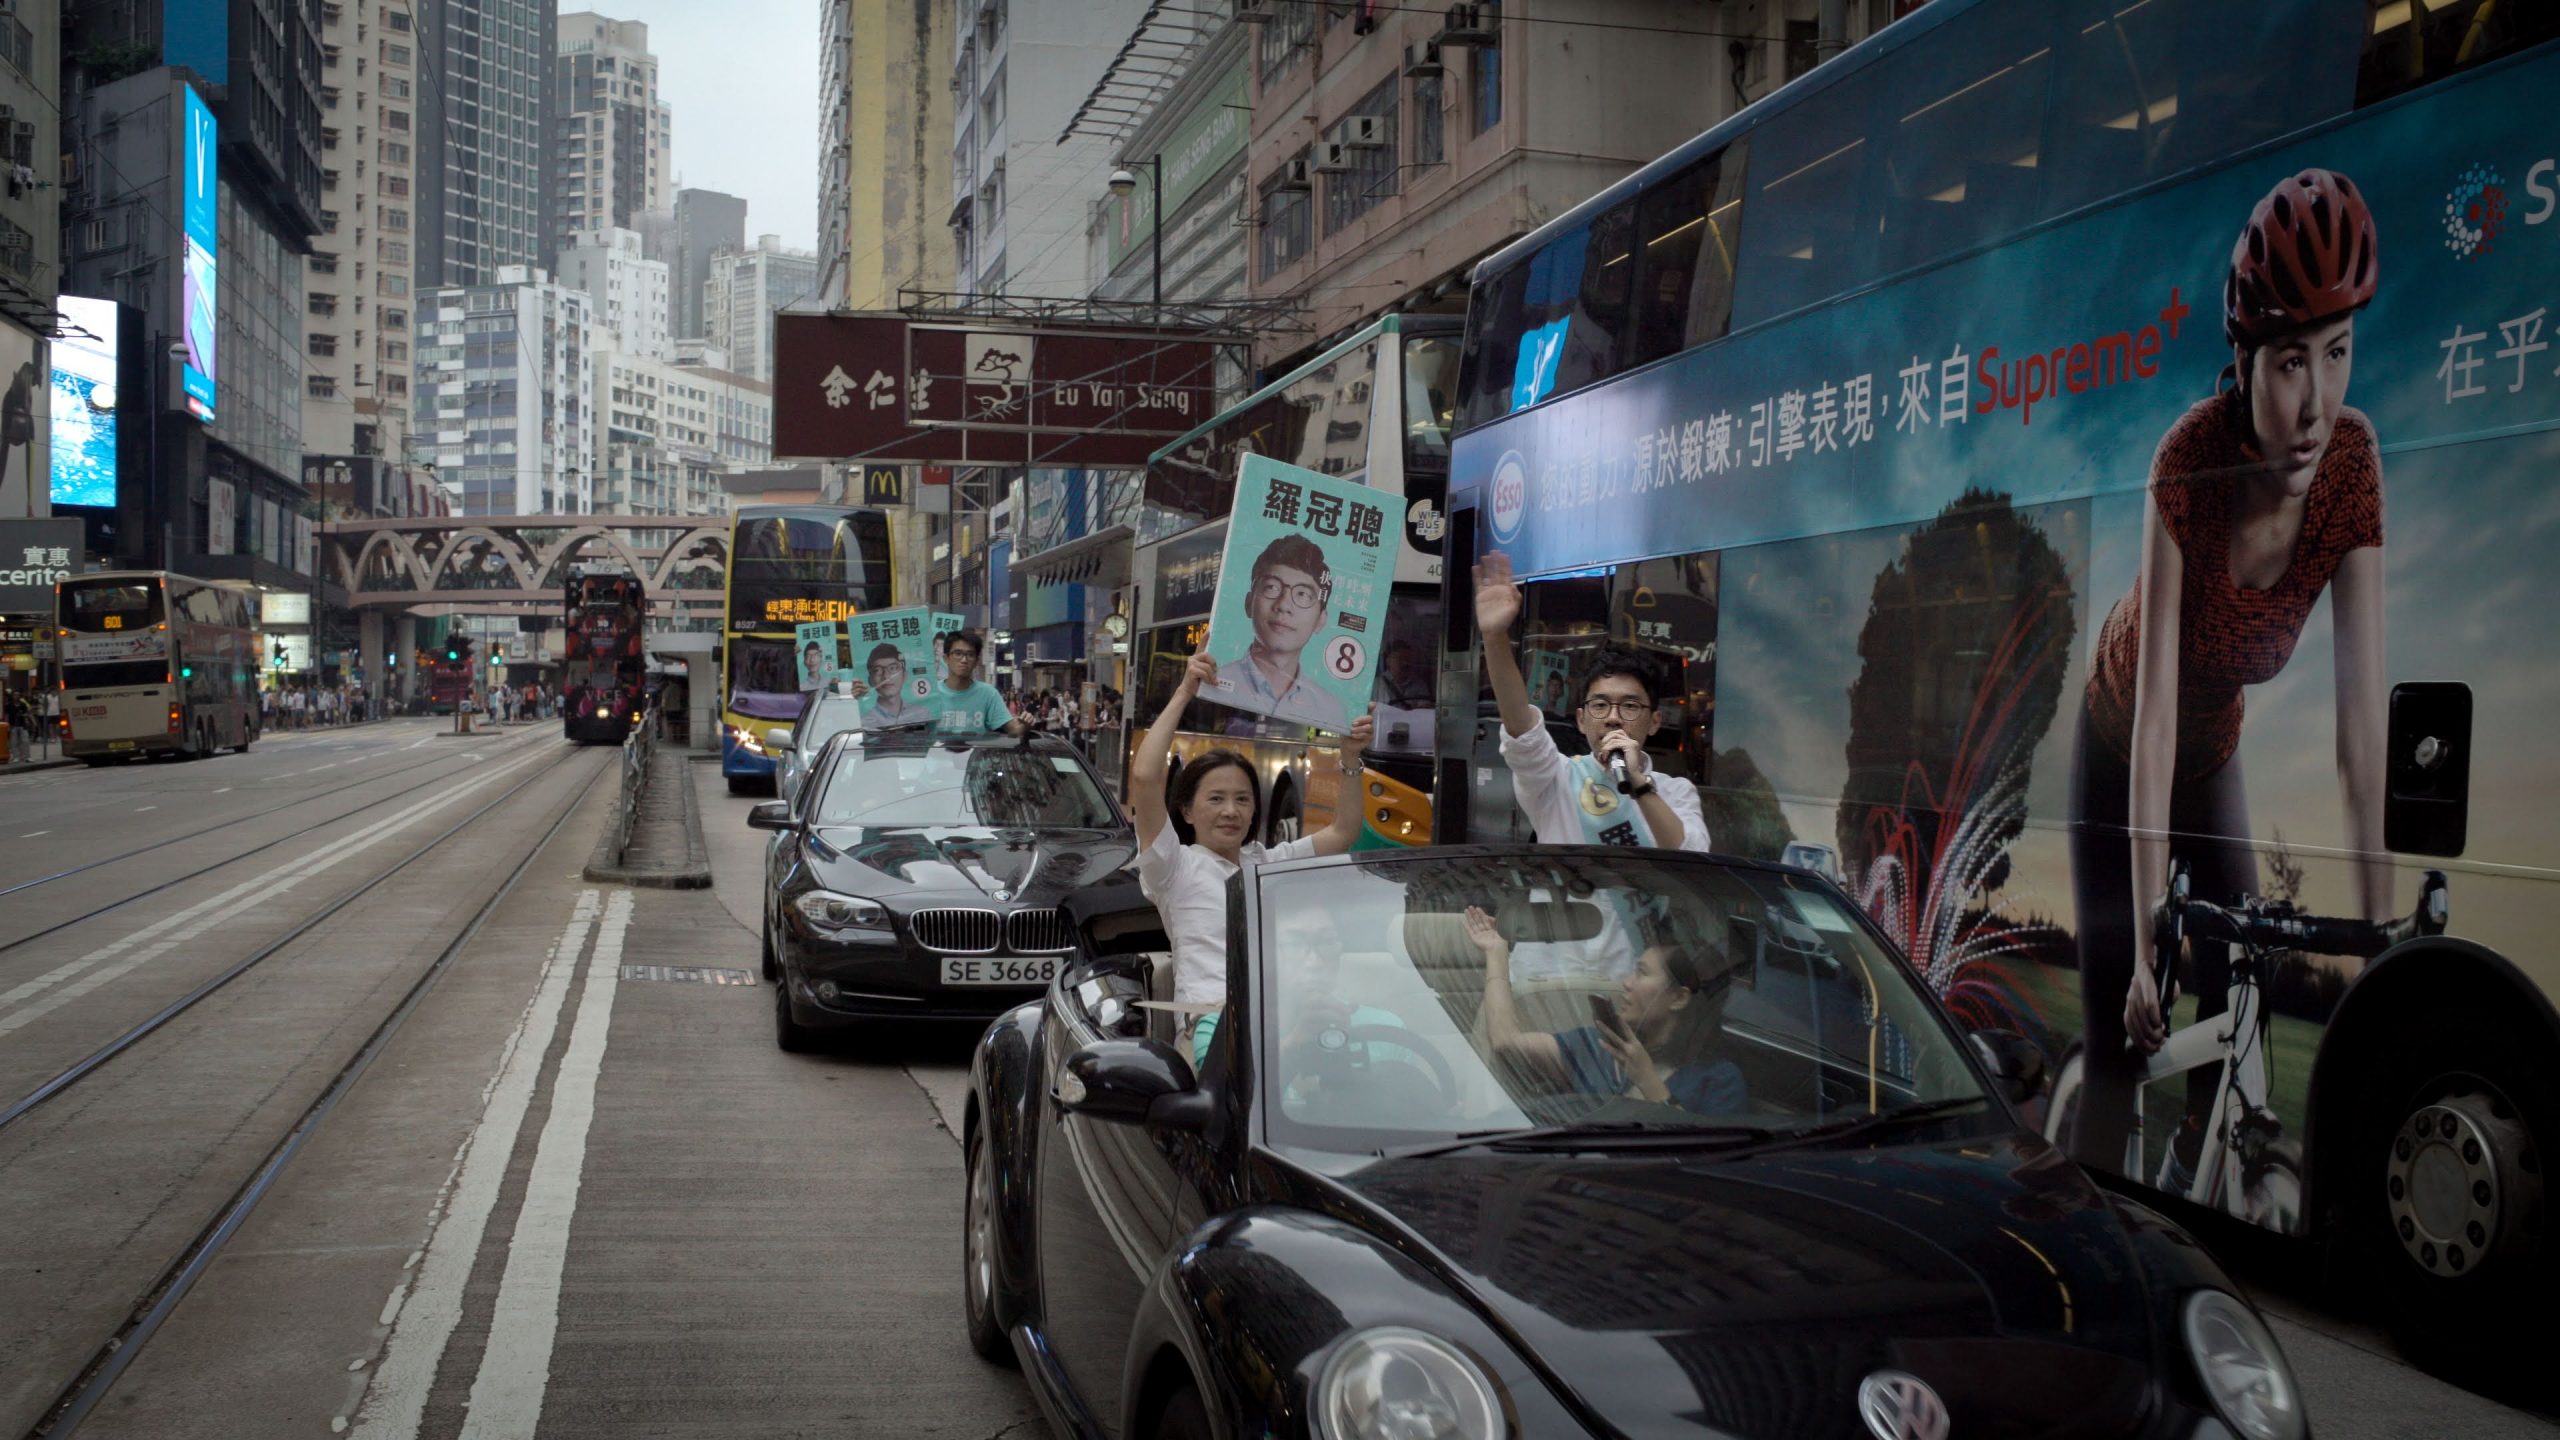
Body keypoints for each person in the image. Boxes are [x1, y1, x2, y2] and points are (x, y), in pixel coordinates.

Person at [2067, 169, 2392, 1186]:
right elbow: (2155, 721)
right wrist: (2142, 948)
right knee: (2121, 1030)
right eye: (2291, 362)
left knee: (2236, 987)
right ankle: (2081, 1219)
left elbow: (2360, 736)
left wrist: (2381, 948)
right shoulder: (2189, 461)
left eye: (2337, 353)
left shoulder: (2350, 465)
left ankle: (2194, 1182)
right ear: (2244, 360)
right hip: (2121, 742)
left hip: (2214, 753)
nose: (2316, 402)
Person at [1133, 649, 1373, 1066]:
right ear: (1187, 811)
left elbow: (1343, 832)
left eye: (1242, 799)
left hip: (1284, 1019)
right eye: (1216, 799)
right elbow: (1144, 776)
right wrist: (1186, 691)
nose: (1231, 811)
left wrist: (1350, 758)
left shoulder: (1266, 863)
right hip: (1213, 1030)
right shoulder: (1173, 867)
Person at [1474, 551, 1710, 854]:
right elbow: (1522, 730)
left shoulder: (1676, 791)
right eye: (1600, 705)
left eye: (1630, 706)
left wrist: (1639, 785)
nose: (1613, 717)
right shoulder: (1556, 779)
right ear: (1581, 719)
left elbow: (1692, 855)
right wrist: (1495, 638)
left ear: (1654, 722)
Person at [1464, 903, 1747, 1115]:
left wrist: (1646, 1079)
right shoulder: (1597, 1046)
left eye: (1642, 973)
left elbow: (1707, 1158)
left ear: (1679, 998)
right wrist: (1496, 952)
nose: (1626, 983)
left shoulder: (1718, 1080)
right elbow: (1505, 1042)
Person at [1211, 535, 1352, 734]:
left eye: (1303, 594)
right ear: (1249, 603)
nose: (1284, 605)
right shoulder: (1212, 683)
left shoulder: (1332, 710)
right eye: (1272, 587)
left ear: (1321, 620)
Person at [925, 630, 1025, 735]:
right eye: (958, 653)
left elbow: (1014, 729)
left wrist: (1025, 725)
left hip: (977, 746)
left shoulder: (988, 694)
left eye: (970, 655)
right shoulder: (930, 693)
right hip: (936, 746)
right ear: (946, 658)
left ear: (976, 661)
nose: (964, 660)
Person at [845, 643, 930, 728]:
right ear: (870, 680)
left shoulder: (922, 714)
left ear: (904, 675)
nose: (886, 676)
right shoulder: (864, 720)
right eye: (877, 670)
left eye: (892, 668)